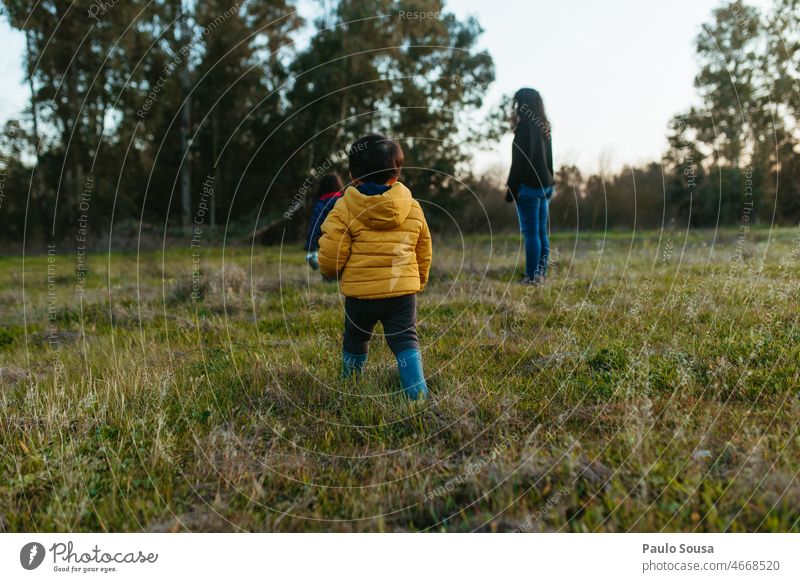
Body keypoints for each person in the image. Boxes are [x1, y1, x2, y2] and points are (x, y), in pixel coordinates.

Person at [318, 134, 432, 400]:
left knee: (355, 341)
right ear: (396, 175)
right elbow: (423, 248)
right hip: (402, 294)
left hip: (360, 296)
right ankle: (416, 394)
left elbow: (332, 252)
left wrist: (328, 270)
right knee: (405, 342)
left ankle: (350, 386)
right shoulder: (412, 207)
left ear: (353, 176)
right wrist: (420, 280)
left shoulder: (344, 207)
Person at [506, 87, 554, 285]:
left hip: (529, 188)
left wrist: (511, 190)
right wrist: (552, 181)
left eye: (517, 104)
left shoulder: (524, 129)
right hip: (546, 186)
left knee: (531, 233)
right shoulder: (544, 127)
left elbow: (518, 164)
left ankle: (532, 277)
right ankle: (540, 274)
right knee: (541, 232)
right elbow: (550, 160)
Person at [304, 173, 344, 270]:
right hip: (344, 240)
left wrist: (310, 245)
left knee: (328, 270)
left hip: (326, 242)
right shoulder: (345, 200)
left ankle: (328, 280)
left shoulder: (321, 204)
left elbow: (315, 224)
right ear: (338, 185)